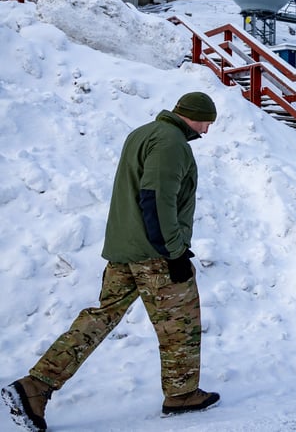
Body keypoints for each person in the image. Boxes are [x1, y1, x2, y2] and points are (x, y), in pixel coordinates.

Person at [3, 92, 221, 431]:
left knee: (101, 318)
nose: (207, 130)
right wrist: (174, 252)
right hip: (155, 253)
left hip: (125, 248)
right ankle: (181, 394)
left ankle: (36, 385)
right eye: (207, 122)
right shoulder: (171, 143)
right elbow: (155, 198)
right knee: (182, 322)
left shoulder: (143, 133)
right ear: (193, 115)